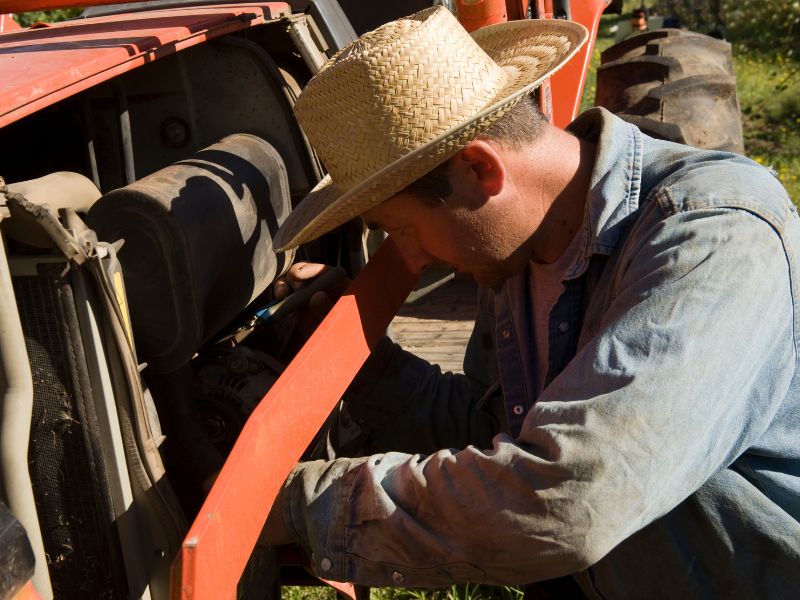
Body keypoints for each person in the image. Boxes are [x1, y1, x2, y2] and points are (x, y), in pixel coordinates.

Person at [265, 7, 800, 597]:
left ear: (479, 168)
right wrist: (366, 370)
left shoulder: (712, 233)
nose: (411, 257)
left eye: (403, 228)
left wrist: (288, 504)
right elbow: (499, 435)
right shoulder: (523, 258)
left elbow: (569, 499)